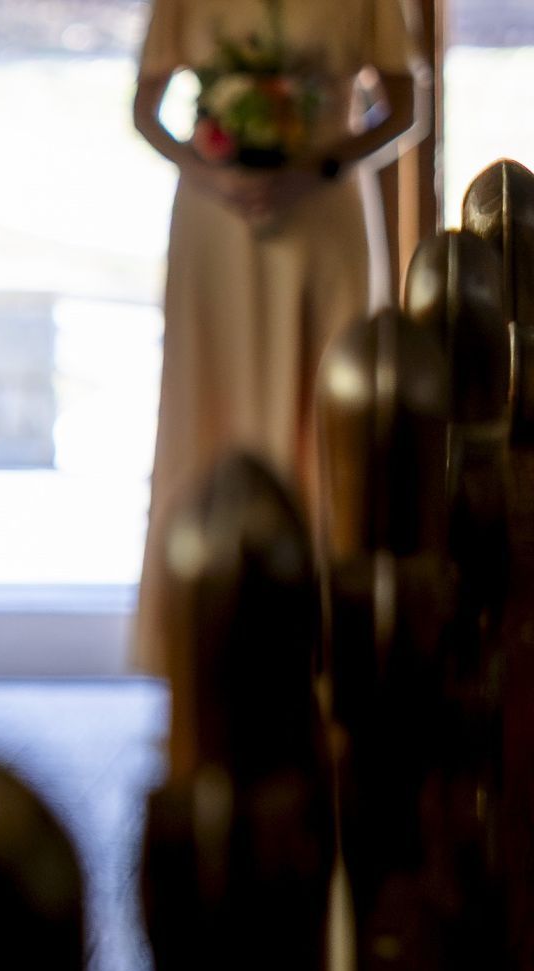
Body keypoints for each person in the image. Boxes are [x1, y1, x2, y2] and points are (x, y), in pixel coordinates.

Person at [131, 0, 427, 671]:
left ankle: (336, 636)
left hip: (323, 212)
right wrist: (212, 174)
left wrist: (314, 170)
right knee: (210, 403)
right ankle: (205, 630)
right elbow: (145, 110)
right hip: (216, 222)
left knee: (336, 411)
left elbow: (406, 110)